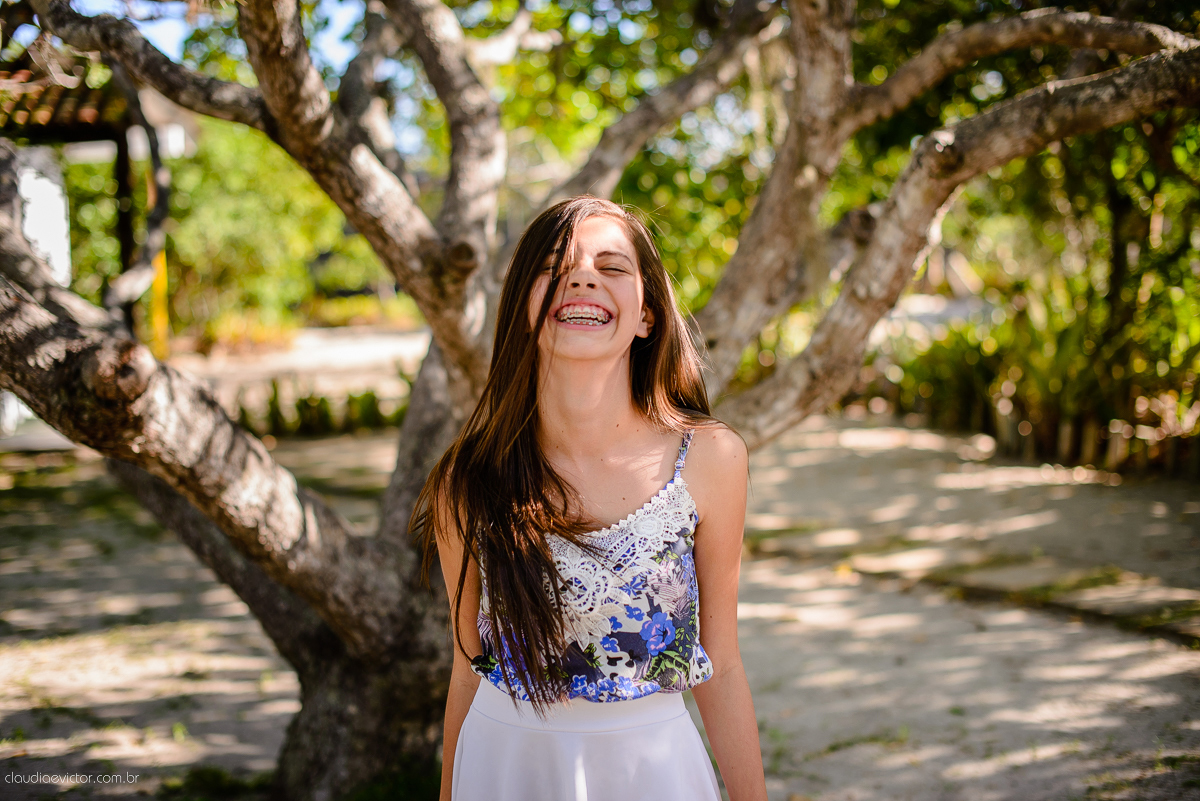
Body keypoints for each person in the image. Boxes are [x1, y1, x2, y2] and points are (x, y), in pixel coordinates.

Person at [413, 196, 766, 801]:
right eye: (556, 266)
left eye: (611, 266)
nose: (581, 278)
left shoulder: (711, 459)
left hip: (653, 773)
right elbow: (468, 669)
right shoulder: (468, 479)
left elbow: (722, 663)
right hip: (506, 767)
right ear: (524, 306)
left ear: (647, 316)